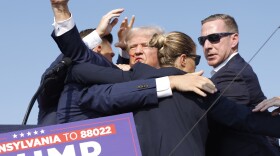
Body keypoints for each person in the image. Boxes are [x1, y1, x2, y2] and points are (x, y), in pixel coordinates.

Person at [198, 14, 279, 156]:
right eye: (202, 40)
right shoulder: (230, 70)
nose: (207, 46)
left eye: (214, 38)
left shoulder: (232, 73)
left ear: (234, 39)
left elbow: (231, 118)